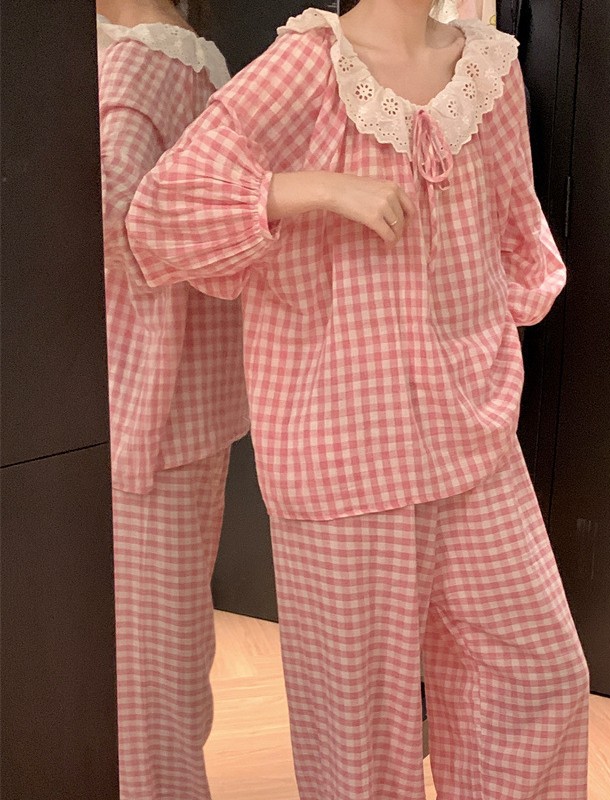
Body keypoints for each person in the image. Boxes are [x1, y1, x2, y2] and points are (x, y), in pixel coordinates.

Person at [127, 2, 590, 798]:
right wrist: (315, 189)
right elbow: (162, 212)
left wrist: (474, 334)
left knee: (540, 674)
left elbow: (517, 232)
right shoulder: (307, 67)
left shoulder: (491, 71)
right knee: (357, 738)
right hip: (343, 453)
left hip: (473, 438)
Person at [96, 2, 249, 798]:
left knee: (143, 659)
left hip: (142, 401)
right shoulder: (203, 62)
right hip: (199, 399)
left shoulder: (130, 69)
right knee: (176, 640)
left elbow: (120, 228)